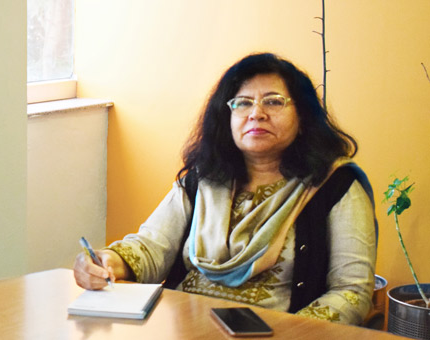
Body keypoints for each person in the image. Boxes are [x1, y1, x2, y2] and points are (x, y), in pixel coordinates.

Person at [73, 53, 377, 325]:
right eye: (243, 103)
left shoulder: (336, 186)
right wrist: (107, 263)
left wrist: (292, 333)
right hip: (186, 328)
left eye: (273, 101)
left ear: (303, 116)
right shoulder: (202, 179)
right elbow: (153, 246)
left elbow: (351, 292)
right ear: (226, 116)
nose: (256, 113)